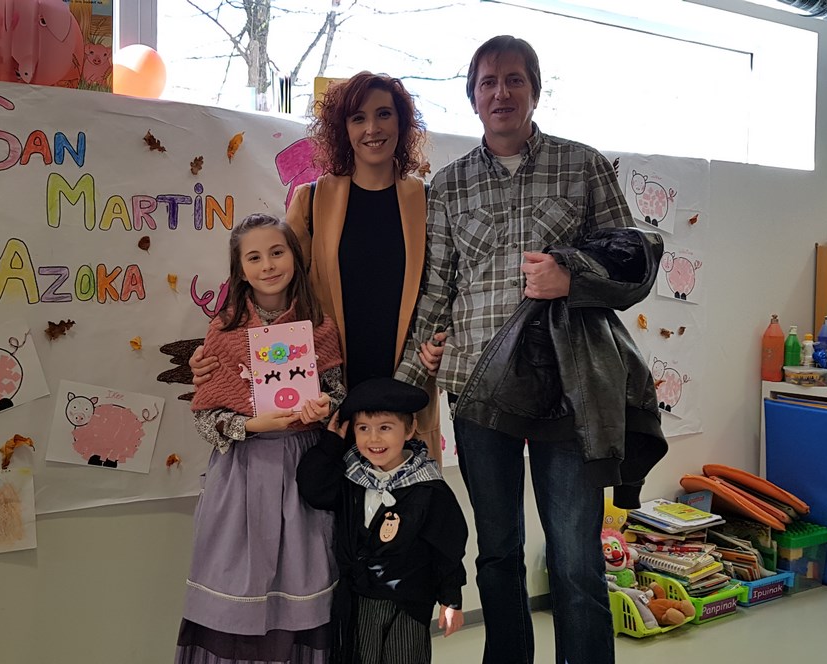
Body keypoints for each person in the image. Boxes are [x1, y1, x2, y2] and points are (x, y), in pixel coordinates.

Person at [394, 36, 666, 664]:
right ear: (473, 97)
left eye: (514, 80)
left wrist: (573, 276)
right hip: (477, 386)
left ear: (535, 91)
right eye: (488, 82)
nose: (501, 93)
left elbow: (632, 262)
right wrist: (406, 385)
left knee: (574, 556)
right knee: (497, 551)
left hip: (568, 387)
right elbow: (436, 288)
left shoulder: (584, 165)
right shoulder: (449, 184)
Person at [190, 72, 442, 463]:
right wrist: (220, 353)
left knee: (408, 495)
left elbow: (442, 289)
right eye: (358, 118)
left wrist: (441, 342)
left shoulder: (426, 201)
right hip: (326, 386)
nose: (372, 128)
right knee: (331, 496)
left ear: (402, 121)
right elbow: (273, 288)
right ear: (343, 129)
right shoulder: (312, 200)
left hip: (404, 377)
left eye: (383, 114)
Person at [175, 213, 345, 664]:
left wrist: (323, 407)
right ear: (240, 270)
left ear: (295, 257)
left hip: (302, 473)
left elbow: (337, 394)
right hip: (241, 474)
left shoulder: (320, 327)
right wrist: (254, 425)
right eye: (254, 257)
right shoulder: (224, 331)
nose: (268, 265)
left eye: (276, 252)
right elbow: (206, 418)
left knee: (301, 574)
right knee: (237, 579)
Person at [297, 377, 467, 664]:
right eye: (363, 428)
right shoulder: (351, 477)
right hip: (359, 599)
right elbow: (314, 489)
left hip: (409, 601)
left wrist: (451, 600)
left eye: (385, 428)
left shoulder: (428, 488)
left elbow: (447, 548)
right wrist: (330, 444)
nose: (373, 439)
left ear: (409, 429)